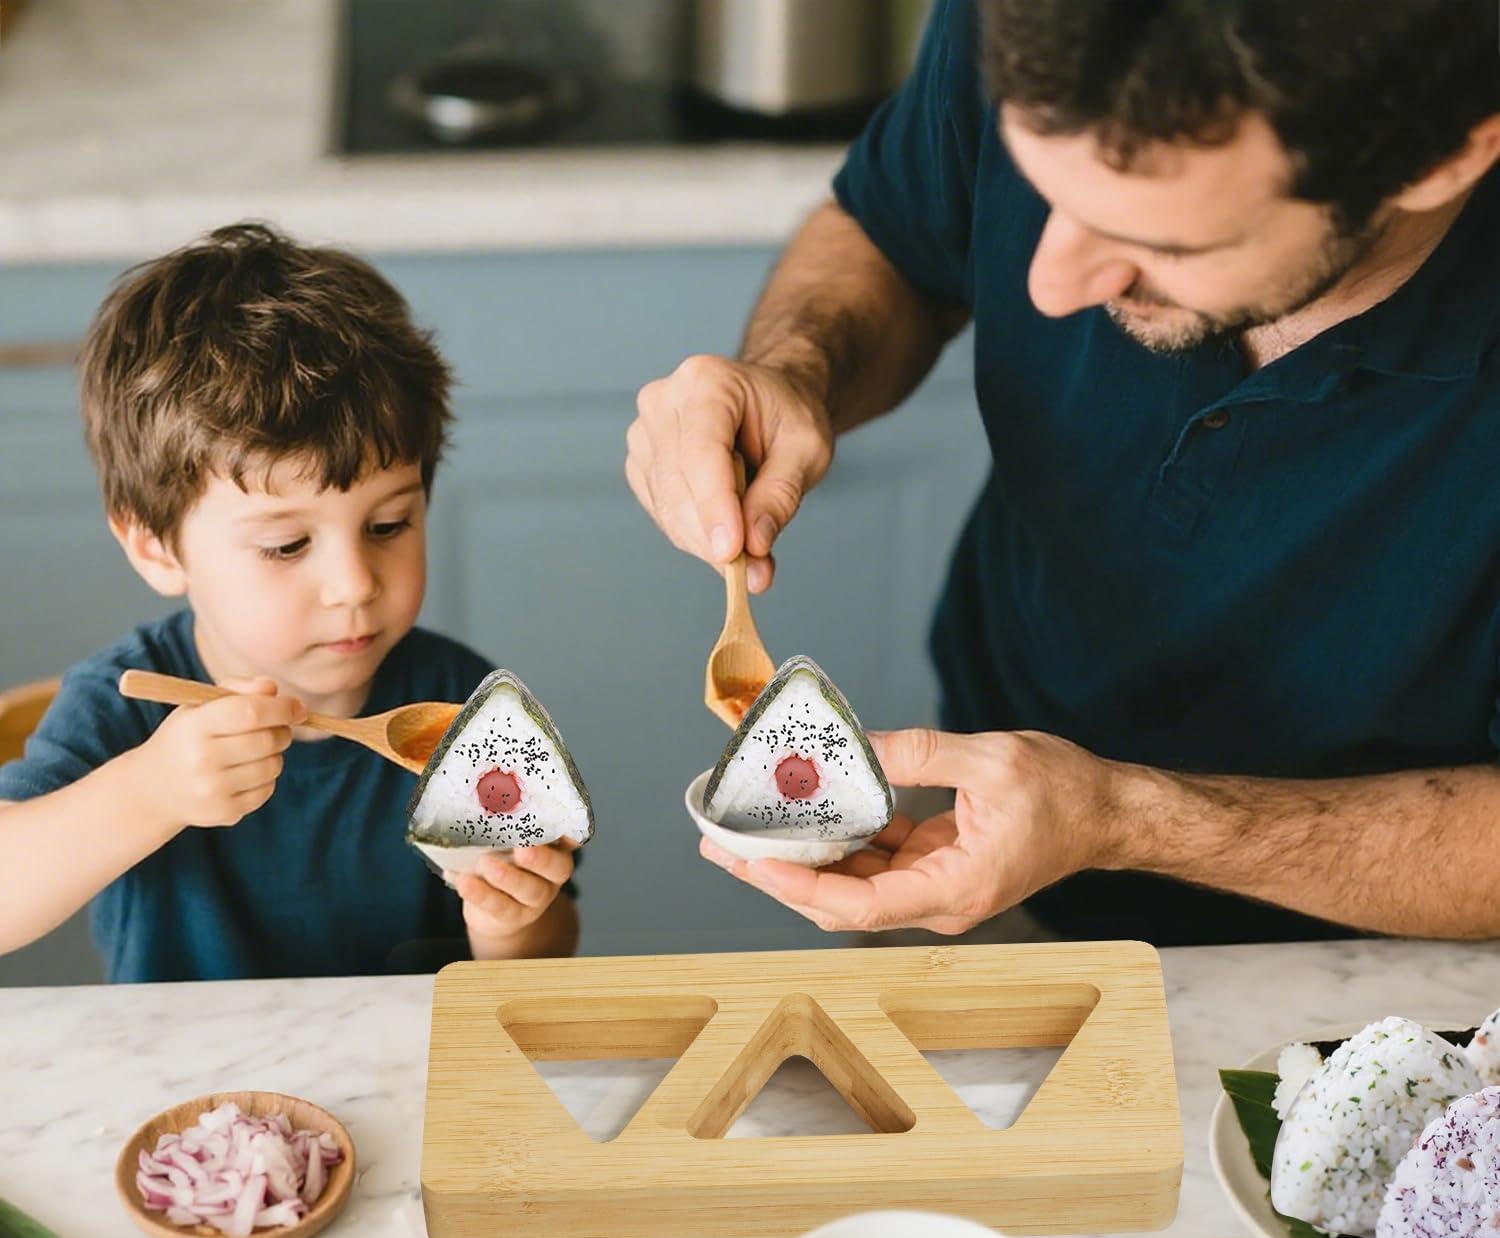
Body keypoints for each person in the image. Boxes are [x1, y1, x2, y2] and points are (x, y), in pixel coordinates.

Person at [626, 0, 1500, 946]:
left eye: (1165, 242)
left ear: (1436, 157)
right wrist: (795, 369)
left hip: (1389, 965)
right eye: (1044, 191)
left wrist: (1122, 819)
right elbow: (896, 233)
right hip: (982, 821)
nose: (1048, 285)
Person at [0, 223, 577, 981]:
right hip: (190, 1090)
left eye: (388, 525)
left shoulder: (461, 710)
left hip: (409, 1079)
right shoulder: (121, 708)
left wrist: (510, 921)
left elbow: (548, 951)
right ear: (155, 547)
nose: (355, 584)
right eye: (285, 546)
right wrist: (149, 791)